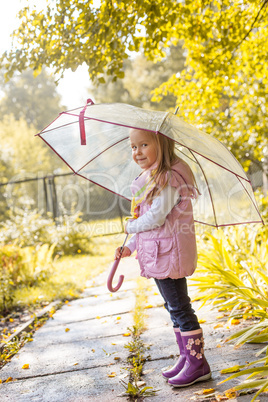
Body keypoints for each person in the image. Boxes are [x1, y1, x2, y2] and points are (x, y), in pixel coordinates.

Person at [114, 128, 211, 388]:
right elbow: (149, 227)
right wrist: (131, 247)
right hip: (159, 253)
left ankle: (198, 363)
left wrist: (130, 227)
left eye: (144, 145)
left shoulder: (168, 179)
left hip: (169, 254)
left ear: (163, 145)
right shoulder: (150, 180)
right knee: (173, 308)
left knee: (180, 307)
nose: (137, 152)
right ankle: (186, 357)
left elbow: (156, 218)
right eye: (133, 147)